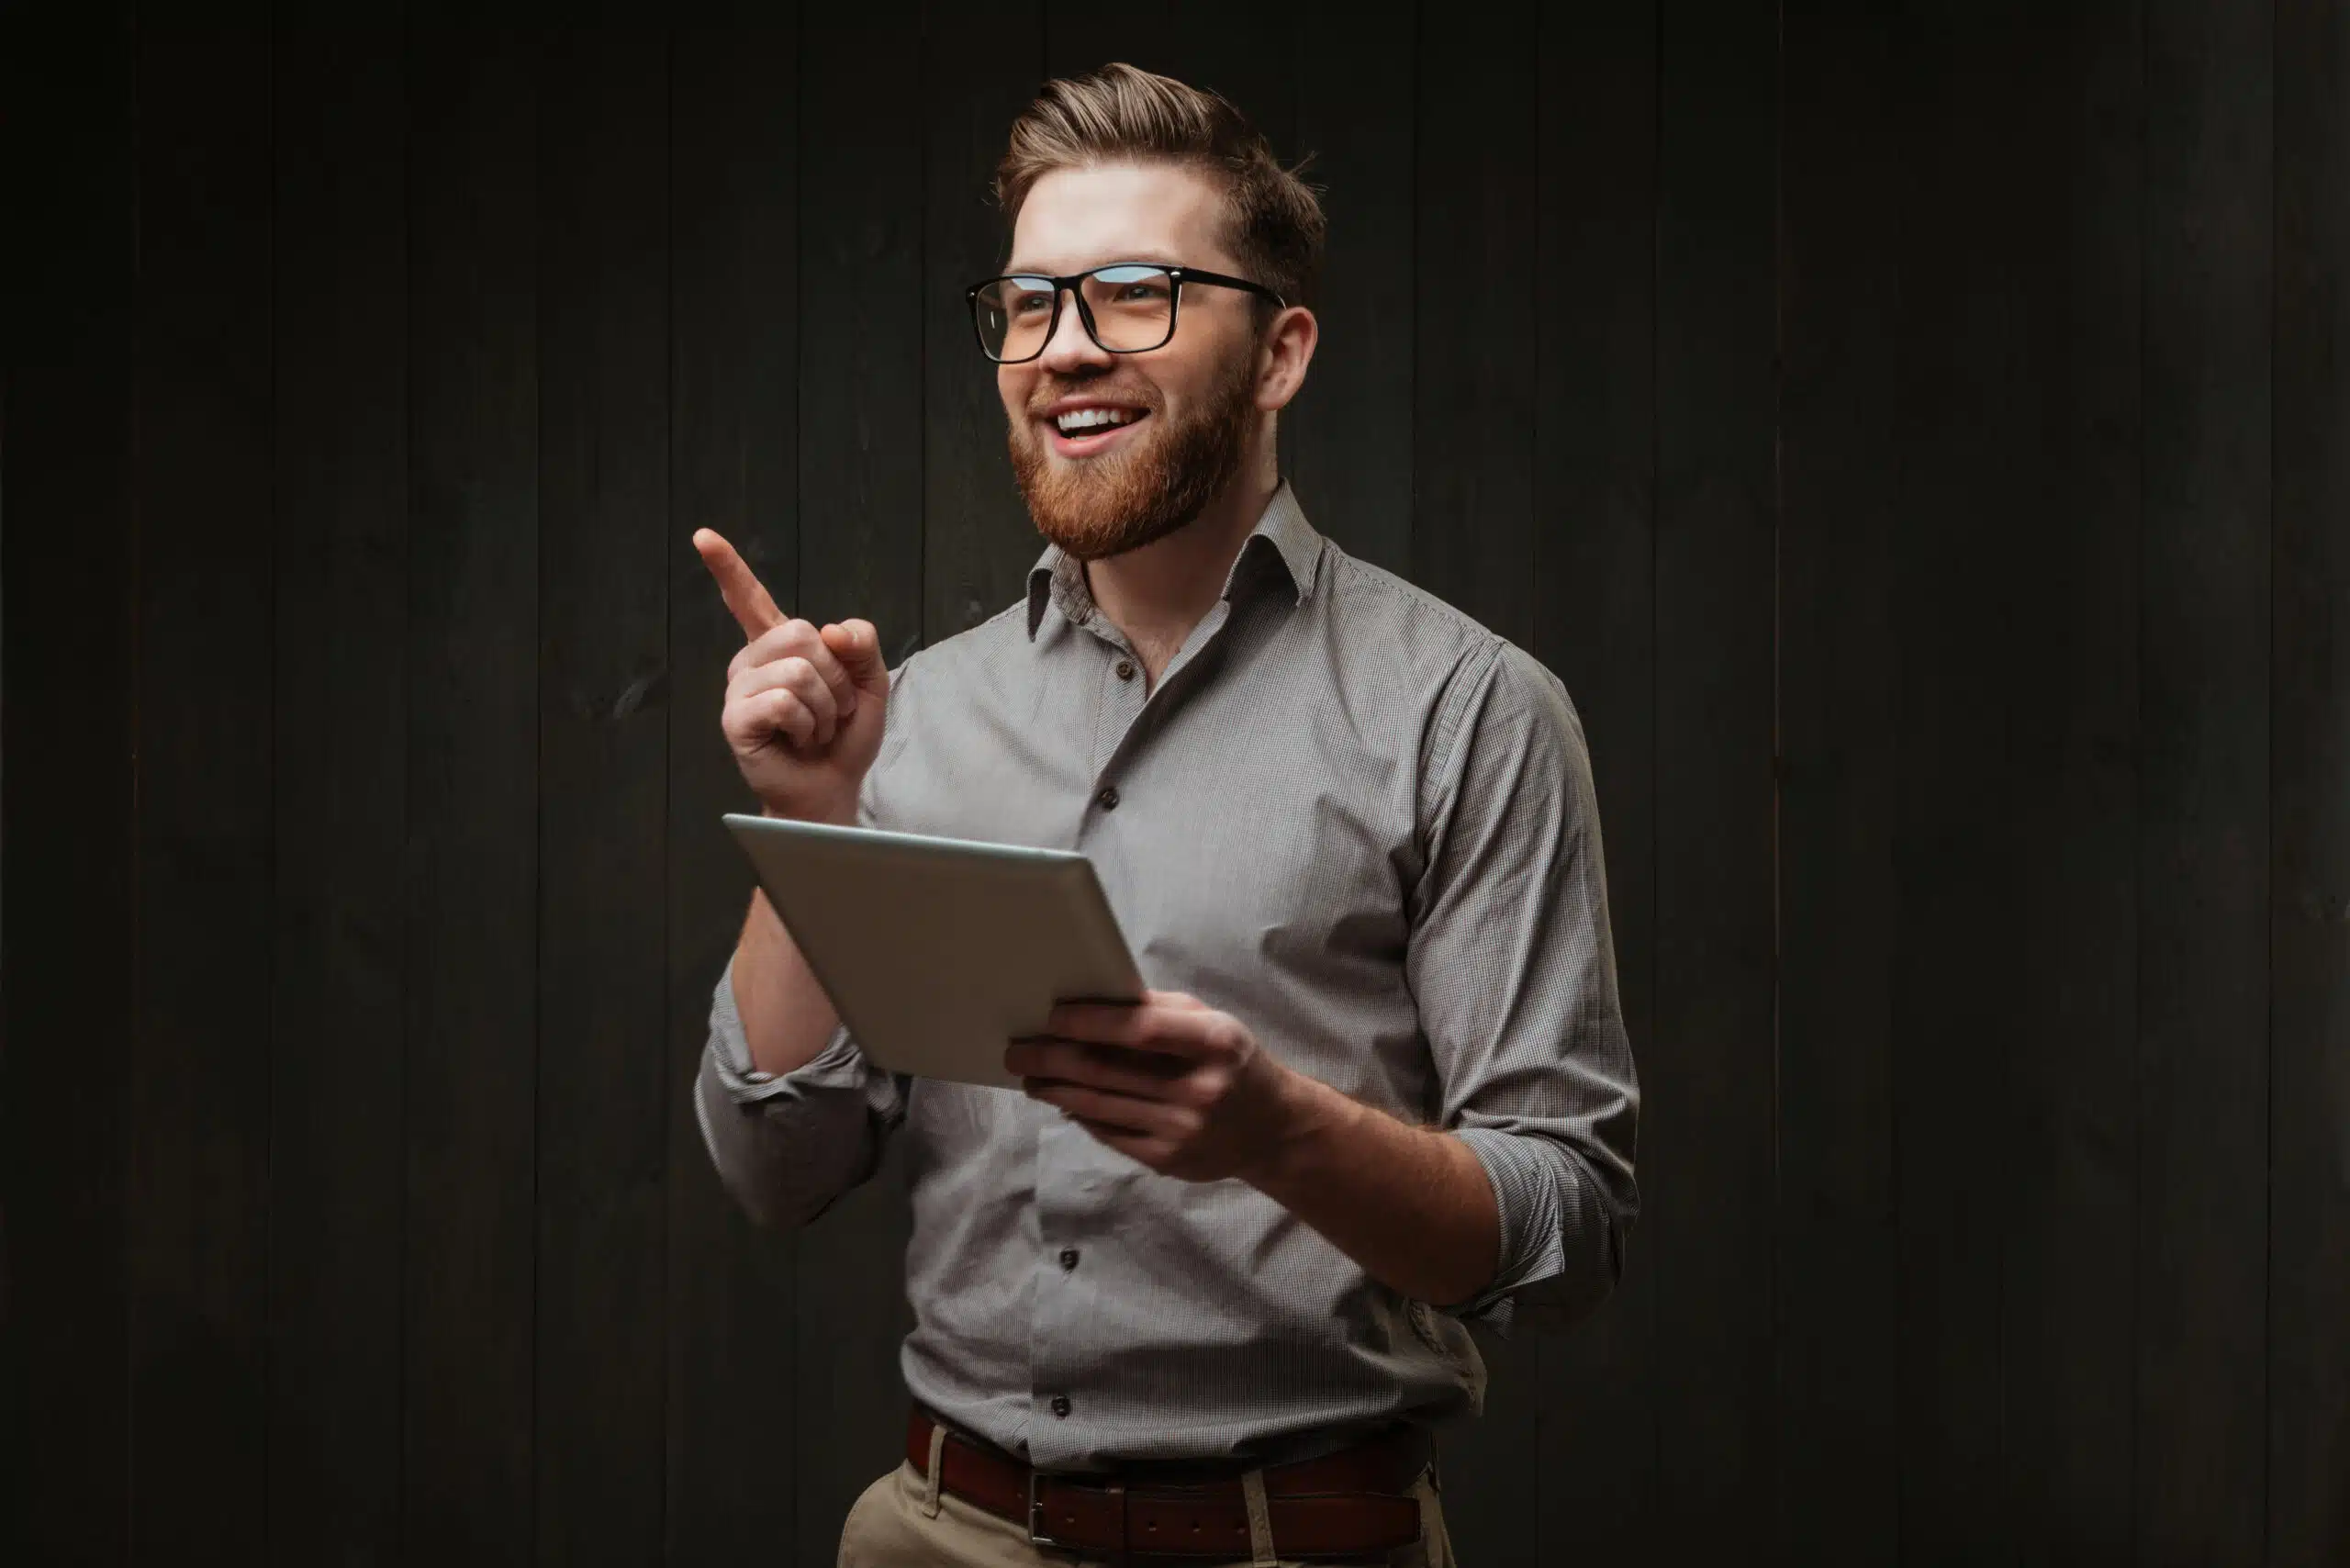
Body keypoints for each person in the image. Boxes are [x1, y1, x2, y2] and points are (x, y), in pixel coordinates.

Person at [688, 62, 1639, 1568]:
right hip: (936, 1535)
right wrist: (819, 816)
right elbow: (774, 1172)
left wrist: (1281, 1134)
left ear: (1280, 352)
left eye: (1134, 295)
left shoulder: (1467, 709)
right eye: (1030, 305)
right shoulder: (911, 713)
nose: (1066, 350)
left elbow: (1563, 1227)